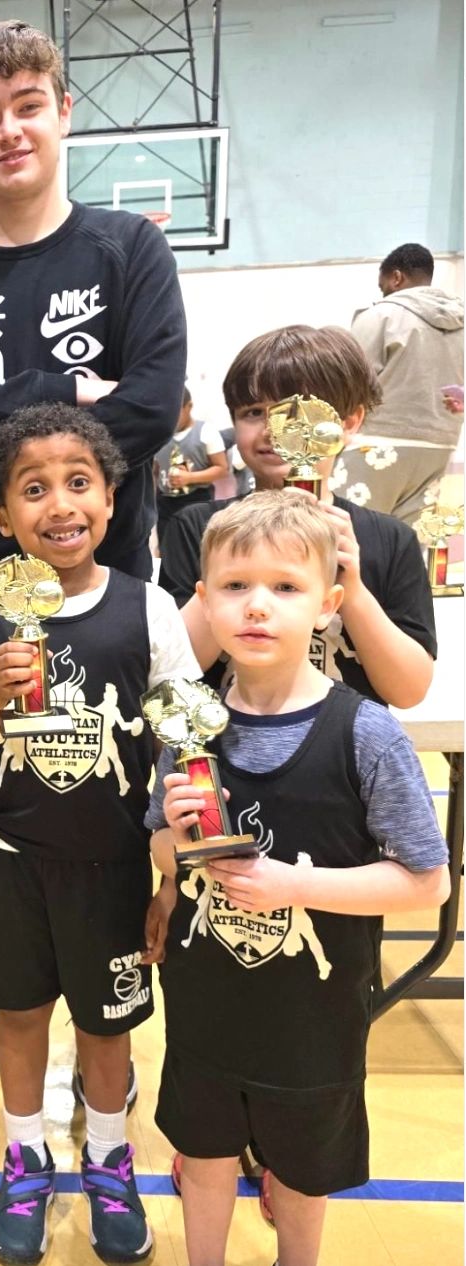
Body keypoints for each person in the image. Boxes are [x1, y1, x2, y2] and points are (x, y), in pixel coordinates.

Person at [0, 17, 187, 1099]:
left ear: (62, 114)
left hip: (103, 580)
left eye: (25, 108)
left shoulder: (127, 250)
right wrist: (59, 400)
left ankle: (107, 980)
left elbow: (150, 407)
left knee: (103, 774)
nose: (7, 130)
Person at [146, 491, 448, 1266]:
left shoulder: (367, 732)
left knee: (302, 1177)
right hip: (206, 1005)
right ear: (203, 599)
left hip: (314, 1020)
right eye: (235, 586)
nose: (257, 605)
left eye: (285, 587)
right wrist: (178, 838)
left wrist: (295, 886)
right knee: (203, 1161)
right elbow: (163, 855)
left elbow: (428, 884)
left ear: (328, 605)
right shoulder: (189, 724)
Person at [0, 402, 197, 1265]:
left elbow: (185, 746)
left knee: (106, 1027)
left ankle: (109, 1161)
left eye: (78, 482)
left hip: (111, 866)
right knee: (19, 1017)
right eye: (34, 489)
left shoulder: (150, 608)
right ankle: (25, 1159)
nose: (60, 505)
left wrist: (173, 873)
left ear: (111, 498)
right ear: (1, 514)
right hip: (6, 863)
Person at [159, 325, 436, 711]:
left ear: (348, 422)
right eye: (254, 412)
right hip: (227, 741)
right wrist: (231, 566)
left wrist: (352, 589)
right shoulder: (198, 527)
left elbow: (408, 692)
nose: (275, 430)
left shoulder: (391, 539)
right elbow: (170, 670)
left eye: (299, 412)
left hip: (346, 744)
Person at [348, 243, 465, 525]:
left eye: (383, 287)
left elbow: (352, 380)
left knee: (358, 530)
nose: (383, 294)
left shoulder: (381, 315)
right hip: (440, 442)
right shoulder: (460, 324)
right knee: (412, 537)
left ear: (396, 277)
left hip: (378, 441)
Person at [152, 386, 227, 544]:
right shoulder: (160, 434)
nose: (171, 417)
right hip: (165, 501)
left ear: (189, 406)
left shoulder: (206, 431)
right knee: (166, 547)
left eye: (175, 411)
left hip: (197, 499)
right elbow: (155, 470)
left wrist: (190, 478)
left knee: (196, 547)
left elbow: (221, 469)